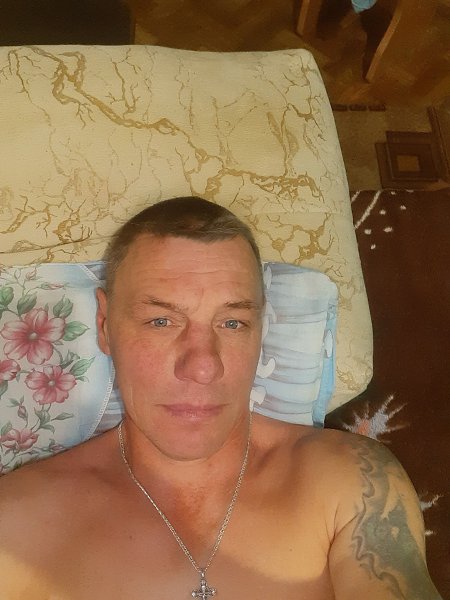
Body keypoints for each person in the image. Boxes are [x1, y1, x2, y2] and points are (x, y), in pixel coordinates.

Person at [0, 196, 441, 599]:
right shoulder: (19, 523)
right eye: (161, 321)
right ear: (104, 326)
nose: (203, 366)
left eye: (232, 323)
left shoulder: (348, 480)